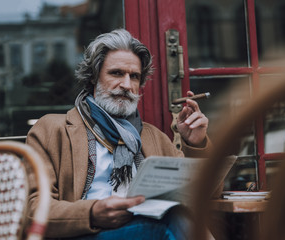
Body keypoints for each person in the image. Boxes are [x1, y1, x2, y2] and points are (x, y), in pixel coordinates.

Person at [26, 29, 211, 239]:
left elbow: (204, 194)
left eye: (134, 77)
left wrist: (196, 144)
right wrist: (92, 213)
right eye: (116, 73)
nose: (126, 85)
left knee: (177, 215)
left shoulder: (155, 137)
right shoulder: (51, 129)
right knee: (174, 220)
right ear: (93, 77)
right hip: (83, 234)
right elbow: (33, 210)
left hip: (149, 228)